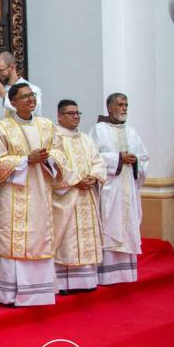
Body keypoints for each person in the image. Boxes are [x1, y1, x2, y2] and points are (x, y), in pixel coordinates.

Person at [0, 83, 67, 306]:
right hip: (14, 195)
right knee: (13, 240)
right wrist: (26, 160)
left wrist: (48, 159)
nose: (30, 100)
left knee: (39, 239)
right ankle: (11, 294)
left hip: (40, 193)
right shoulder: (3, 128)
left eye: (32, 96)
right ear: (12, 102)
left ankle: (40, 293)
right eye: (24, 97)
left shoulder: (46, 126)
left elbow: (61, 155)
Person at [89, 93, 149, 285]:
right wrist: (117, 158)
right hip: (109, 188)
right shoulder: (98, 130)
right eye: (120, 105)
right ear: (109, 108)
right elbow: (93, 156)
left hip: (128, 187)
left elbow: (144, 156)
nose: (124, 108)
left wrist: (136, 160)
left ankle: (126, 274)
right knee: (109, 226)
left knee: (128, 226)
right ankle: (107, 275)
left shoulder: (131, 131)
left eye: (126, 105)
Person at [52, 100, 107, 293]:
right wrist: (76, 180)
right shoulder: (54, 137)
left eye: (77, 113)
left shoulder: (85, 138)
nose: (75, 117)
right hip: (67, 196)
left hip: (87, 195)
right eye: (70, 113)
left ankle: (85, 281)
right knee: (67, 238)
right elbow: (56, 166)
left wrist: (94, 176)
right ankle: (64, 283)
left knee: (86, 237)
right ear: (59, 116)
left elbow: (97, 161)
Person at [0, 52, 42, 126]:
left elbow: (32, 115)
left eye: (0, 70)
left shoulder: (33, 90)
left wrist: (4, 95)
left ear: (12, 67)